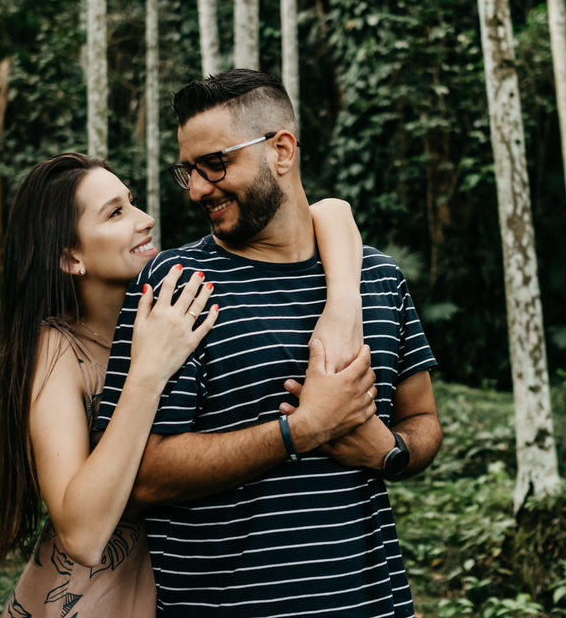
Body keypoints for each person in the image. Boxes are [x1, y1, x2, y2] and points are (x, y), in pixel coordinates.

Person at [94, 69, 443, 617]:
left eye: (216, 164)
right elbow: (137, 478)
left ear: (281, 150)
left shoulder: (376, 277)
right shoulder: (175, 283)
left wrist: (391, 453)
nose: (199, 188)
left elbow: (423, 419)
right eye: (189, 171)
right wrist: (299, 432)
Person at [0, 152, 375, 618]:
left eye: (133, 202)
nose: (146, 220)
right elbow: (81, 535)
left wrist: (343, 305)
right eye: (116, 213)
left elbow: (333, 211)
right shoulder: (58, 350)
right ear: (71, 257)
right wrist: (147, 371)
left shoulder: (175, 296)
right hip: (98, 597)